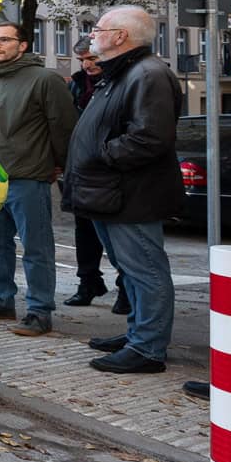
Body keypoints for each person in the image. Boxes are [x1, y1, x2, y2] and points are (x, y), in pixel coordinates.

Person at [67, 5, 184, 374]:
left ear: (120, 37)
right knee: (130, 270)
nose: (92, 35)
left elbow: (150, 137)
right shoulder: (122, 73)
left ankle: (148, 348)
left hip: (131, 194)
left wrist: (102, 155)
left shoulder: (147, 74)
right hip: (111, 192)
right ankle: (138, 334)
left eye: (98, 28)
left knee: (145, 270)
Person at [0, 22, 76, 337]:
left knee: (36, 248)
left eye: (4, 40)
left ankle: (40, 311)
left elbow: (63, 128)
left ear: (23, 45)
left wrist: (58, 164)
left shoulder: (46, 80)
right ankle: (0, 300)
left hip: (29, 178)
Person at [63, 37, 128, 313]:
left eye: (92, 58)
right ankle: (88, 282)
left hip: (110, 169)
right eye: (83, 60)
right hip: (80, 168)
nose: (88, 65)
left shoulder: (122, 82)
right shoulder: (76, 84)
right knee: (84, 230)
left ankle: (126, 289)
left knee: (117, 236)